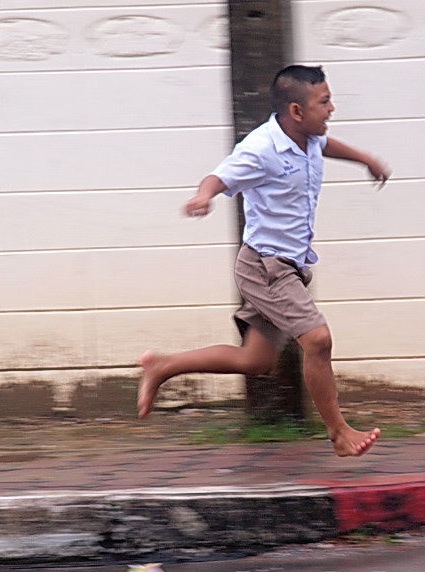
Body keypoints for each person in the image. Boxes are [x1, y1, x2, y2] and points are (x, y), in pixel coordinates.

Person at [137, 64, 390, 457]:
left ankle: (163, 365)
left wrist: (364, 159)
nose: (332, 108)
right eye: (324, 102)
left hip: (285, 266)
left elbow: (326, 145)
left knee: (254, 360)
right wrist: (203, 196)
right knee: (318, 340)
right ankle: (339, 433)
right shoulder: (260, 148)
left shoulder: (308, 137)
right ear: (296, 111)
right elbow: (219, 176)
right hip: (266, 267)